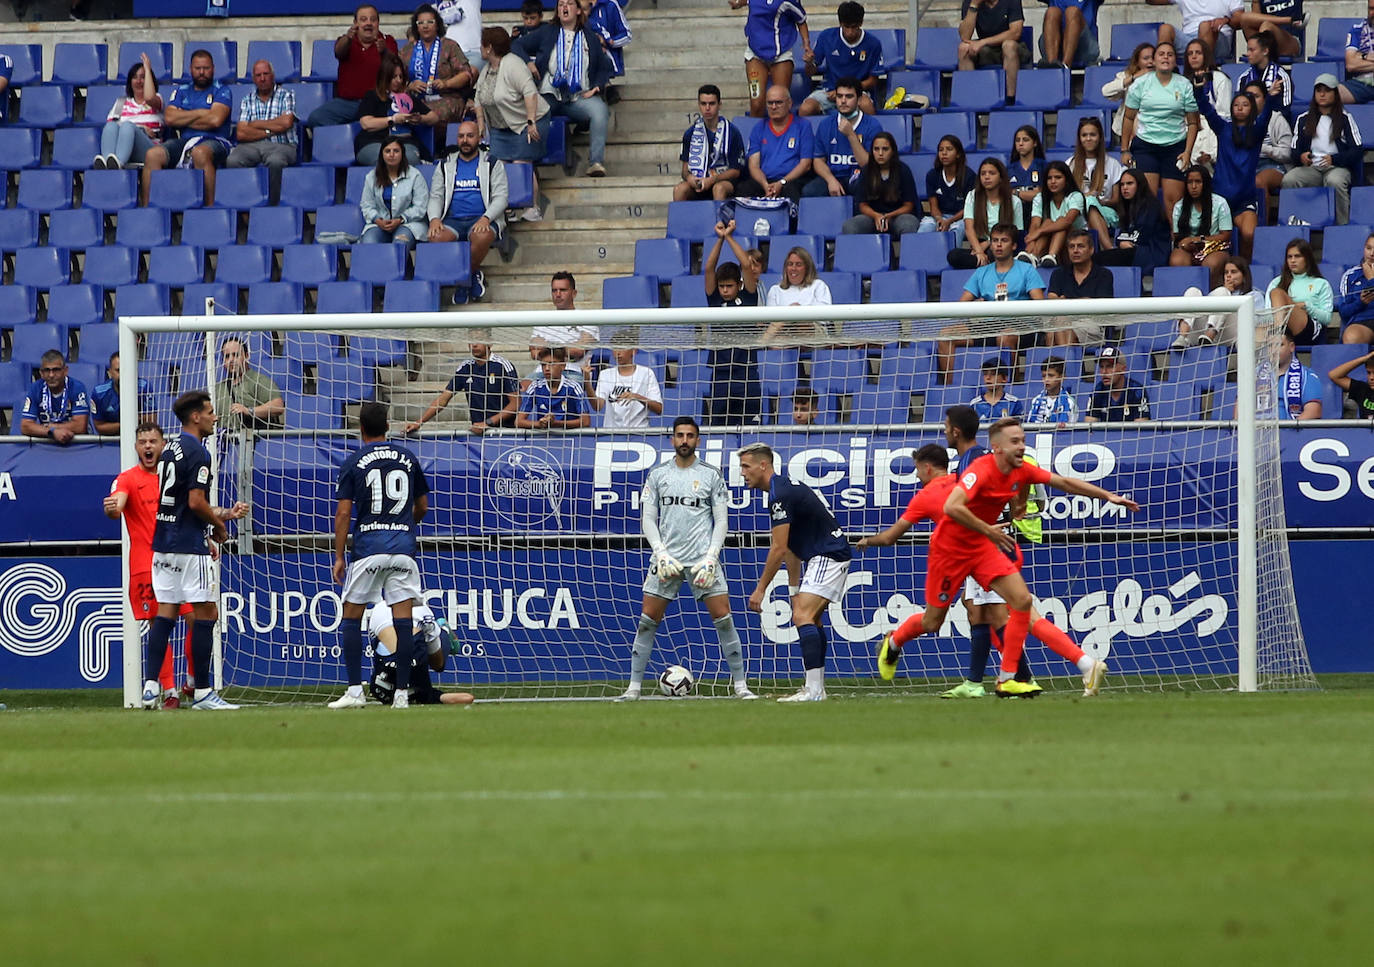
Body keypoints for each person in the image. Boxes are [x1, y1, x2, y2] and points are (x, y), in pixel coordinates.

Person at [870, 422, 1128, 696]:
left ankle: (1010, 678)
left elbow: (1057, 484)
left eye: (1022, 440)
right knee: (952, 618)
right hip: (956, 553)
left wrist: (1107, 496)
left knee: (1012, 608)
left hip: (990, 547)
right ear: (995, 446)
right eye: (1015, 441)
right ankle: (985, 676)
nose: (1022, 446)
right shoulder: (973, 470)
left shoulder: (998, 467)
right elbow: (954, 508)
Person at [106, 423, 247, 709]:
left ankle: (192, 683)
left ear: (162, 445)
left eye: (153, 441)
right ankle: (167, 690)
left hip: (178, 554)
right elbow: (117, 503)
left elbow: (191, 509)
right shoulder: (127, 479)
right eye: (142, 441)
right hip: (148, 564)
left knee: (195, 619)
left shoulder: (171, 473)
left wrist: (224, 517)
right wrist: (113, 508)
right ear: (135, 446)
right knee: (163, 620)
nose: (147, 447)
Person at [621, 416, 757, 700]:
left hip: (702, 561)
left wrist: (711, 557)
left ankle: (741, 686)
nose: (685, 440)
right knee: (647, 621)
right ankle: (633, 688)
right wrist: (659, 553)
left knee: (724, 619)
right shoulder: (658, 474)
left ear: (698, 440)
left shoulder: (710, 474)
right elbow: (647, 518)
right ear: (672, 439)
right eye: (680, 435)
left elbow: (721, 521)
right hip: (666, 560)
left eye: (690, 436)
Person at [327, 401, 430, 710]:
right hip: (402, 549)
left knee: (352, 615)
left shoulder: (354, 461)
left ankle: (355, 691)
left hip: (369, 547)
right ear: (388, 426)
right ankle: (401, 695)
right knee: (402, 618)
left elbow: (344, 514)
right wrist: (403, 526)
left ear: (361, 429)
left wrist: (339, 556)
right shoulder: (408, 457)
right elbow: (422, 506)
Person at [141, 391, 237, 711]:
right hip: (187, 544)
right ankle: (203, 692)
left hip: (162, 545)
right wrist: (219, 527)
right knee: (207, 612)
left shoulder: (170, 449)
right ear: (195, 416)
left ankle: (151, 686)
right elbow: (196, 502)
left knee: (166, 612)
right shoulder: (198, 452)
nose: (214, 417)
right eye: (210, 412)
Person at [739, 440, 851, 702]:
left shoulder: (780, 495)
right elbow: (790, 548)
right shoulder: (781, 490)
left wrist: (760, 589)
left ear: (763, 465)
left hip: (828, 555)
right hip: (824, 555)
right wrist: (793, 589)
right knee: (811, 618)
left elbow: (777, 549)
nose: (743, 473)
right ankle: (817, 689)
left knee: (802, 615)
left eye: (746, 466)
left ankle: (813, 691)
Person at [943, 223, 1043, 378]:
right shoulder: (981, 272)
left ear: (1014, 245)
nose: (998, 245)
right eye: (995, 240)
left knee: (1005, 337)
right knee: (946, 335)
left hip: (1021, 326)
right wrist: (976, 305)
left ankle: (1012, 386)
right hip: (988, 325)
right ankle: (950, 390)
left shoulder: (1027, 270)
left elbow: (1040, 304)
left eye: (1004, 240)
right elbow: (961, 305)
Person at [474, 26, 551, 220]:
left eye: (482, 45)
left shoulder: (513, 64)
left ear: (489, 47)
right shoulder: (486, 70)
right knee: (498, 167)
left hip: (529, 122)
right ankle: (509, 208)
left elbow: (530, 92)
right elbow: (478, 98)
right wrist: (481, 124)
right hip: (501, 129)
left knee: (520, 163)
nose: (480, 49)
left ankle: (533, 207)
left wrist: (531, 122)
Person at [139, 49, 233, 208]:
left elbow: (215, 120)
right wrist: (202, 113)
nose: (202, 72)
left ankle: (210, 209)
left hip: (216, 140)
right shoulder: (181, 91)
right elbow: (169, 118)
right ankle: (150, 210)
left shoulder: (222, 90)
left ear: (213, 69)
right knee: (153, 154)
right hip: (185, 141)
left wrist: (184, 117)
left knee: (200, 153)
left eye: (206, 68)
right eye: (198, 68)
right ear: (190, 69)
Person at [426, 119, 507, 300]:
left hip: (482, 217)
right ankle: (471, 275)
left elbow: (501, 198)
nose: (465, 140)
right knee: (435, 237)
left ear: (479, 138)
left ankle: (462, 282)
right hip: (453, 219)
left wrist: (486, 218)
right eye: (461, 136)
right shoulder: (445, 164)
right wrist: (434, 219)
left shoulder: (493, 163)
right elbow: (436, 196)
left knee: (482, 235)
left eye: (470, 136)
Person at [530, 0, 613, 178]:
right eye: (560, 4)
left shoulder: (589, 36)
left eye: (569, 4)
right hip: (549, 94)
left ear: (577, 10)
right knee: (532, 110)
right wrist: (529, 63)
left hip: (577, 97)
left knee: (600, 111)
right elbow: (517, 46)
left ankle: (595, 163)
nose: (564, 7)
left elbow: (604, 66)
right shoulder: (546, 32)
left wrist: (596, 87)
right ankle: (530, 160)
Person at [1120, 41, 1200, 215]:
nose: (1165, 57)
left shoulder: (1185, 84)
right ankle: (1147, 240)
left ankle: (1175, 240)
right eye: (1161, 54)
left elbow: (1193, 122)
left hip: (1175, 146)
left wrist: (1187, 152)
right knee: (1147, 200)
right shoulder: (1140, 84)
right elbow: (1128, 117)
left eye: (1170, 54)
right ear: (1154, 60)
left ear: (1175, 61)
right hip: (1146, 146)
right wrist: (1124, 149)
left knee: (1174, 202)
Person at [704, 221, 765, 425]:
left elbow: (747, 265)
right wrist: (719, 240)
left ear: (739, 284)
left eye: (729, 286)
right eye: (721, 286)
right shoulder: (715, 301)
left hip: (746, 370)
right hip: (721, 372)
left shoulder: (748, 296)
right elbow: (709, 268)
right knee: (719, 426)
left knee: (750, 425)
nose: (725, 291)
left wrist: (729, 237)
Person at [1284, 74, 1365, 226]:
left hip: (1337, 167)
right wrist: (1301, 157)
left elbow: (1357, 150)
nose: (1322, 94)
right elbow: (1294, 150)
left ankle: (1343, 226)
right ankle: (1293, 223)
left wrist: (1334, 159)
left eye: (1327, 91)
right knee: (1290, 180)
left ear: (1335, 94)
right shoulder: (1303, 119)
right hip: (1311, 169)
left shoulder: (1345, 118)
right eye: (1319, 90)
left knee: (1335, 181)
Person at [1197, 90, 1268, 260]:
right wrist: (1199, 90)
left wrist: (1271, 97)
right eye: (1236, 105)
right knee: (1216, 238)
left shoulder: (1257, 132)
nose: (1240, 108)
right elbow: (1207, 110)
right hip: (1220, 198)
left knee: (1249, 234)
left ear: (1252, 109)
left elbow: (1266, 115)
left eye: (1245, 105)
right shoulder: (1223, 129)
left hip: (1245, 200)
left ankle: (1243, 268)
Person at [364, 600, 475, 706]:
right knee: (438, 665)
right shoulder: (421, 692)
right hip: (415, 651)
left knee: (436, 660)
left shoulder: (377, 688)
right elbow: (466, 697)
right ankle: (443, 630)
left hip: (411, 649)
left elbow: (466, 698)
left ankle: (442, 632)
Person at [308, 4, 401, 128]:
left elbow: (396, 67)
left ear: (378, 23)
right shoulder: (346, 41)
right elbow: (339, 52)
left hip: (378, 102)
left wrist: (384, 51)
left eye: (373, 20)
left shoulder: (387, 41)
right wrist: (348, 37)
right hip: (348, 103)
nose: (368, 23)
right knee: (316, 118)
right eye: (363, 20)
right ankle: (340, 144)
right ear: (355, 23)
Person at [407, 334, 520, 434]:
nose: (474, 345)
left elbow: (515, 403)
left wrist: (488, 423)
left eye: (479, 340)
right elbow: (443, 399)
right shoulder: (465, 367)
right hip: (478, 433)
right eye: (471, 341)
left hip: (505, 432)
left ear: (490, 342)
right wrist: (419, 422)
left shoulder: (503, 365)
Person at [398, 3, 478, 136]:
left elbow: (466, 74)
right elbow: (394, 78)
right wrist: (410, 86)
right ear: (416, 27)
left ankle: (438, 148)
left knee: (431, 113)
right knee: (405, 111)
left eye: (430, 22)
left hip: (446, 98)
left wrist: (446, 83)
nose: (425, 26)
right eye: (421, 22)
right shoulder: (407, 51)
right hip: (416, 99)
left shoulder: (449, 45)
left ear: (437, 24)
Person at [228, 60, 298, 206]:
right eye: (258, 75)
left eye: (266, 74)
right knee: (233, 160)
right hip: (251, 146)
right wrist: (271, 129)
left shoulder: (286, 95)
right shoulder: (247, 99)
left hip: (282, 145)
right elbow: (241, 133)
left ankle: (273, 205)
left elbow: (286, 123)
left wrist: (256, 124)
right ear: (253, 78)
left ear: (273, 75)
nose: (262, 78)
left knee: (276, 162)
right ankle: (247, 206)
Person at [736, 85, 815, 202]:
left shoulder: (803, 126)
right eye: (770, 103)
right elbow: (753, 165)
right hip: (765, 180)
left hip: (791, 180)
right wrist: (765, 185)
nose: (773, 107)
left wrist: (782, 182)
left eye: (778, 103)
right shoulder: (759, 128)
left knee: (790, 190)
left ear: (789, 103)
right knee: (744, 189)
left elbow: (806, 164)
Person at [732, 0, 810, 118]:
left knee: (780, 103)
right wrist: (736, 3)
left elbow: (801, 20)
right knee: (756, 103)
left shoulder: (788, 1)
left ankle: (782, 135)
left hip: (781, 54)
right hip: (755, 53)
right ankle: (756, 135)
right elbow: (740, 2)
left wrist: (806, 45)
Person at [355, 54, 437, 166]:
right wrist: (393, 119)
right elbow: (366, 123)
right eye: (394, 77)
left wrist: (419, 118)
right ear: (385, 77)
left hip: (404, 143)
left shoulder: (407, 98)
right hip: (374, 141)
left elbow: (434, 117)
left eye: (401, 77)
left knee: (411, 160)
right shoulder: (372, 96)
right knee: (384, 160)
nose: (398, 80)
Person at [801, 2, 882, 116]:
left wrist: (845, 91)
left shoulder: (873, 43)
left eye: (854, 27)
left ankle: (870, 133)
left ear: (861, 23)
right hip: (829, 90)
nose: (850, 32)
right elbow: (810, 72)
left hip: (858, 91)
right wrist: (809, 63)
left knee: (867, 106)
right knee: (806, 108)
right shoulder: (826, 37)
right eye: (846, 27)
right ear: (840, 23)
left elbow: (873, 80)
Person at [804, 77, 879, 197]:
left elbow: (868, 164)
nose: (843, 101)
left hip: (859, 176)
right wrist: (830, 180)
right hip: (833, 175)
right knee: (810, 191)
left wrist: (851, 135)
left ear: (859, 100)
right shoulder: (825, 124)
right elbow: (818, 160)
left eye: (849, 97)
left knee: (864, 188)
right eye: (839, 96)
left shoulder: (872, 125)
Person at [1173, 254, 1264, 347]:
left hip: (1230, 335)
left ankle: (1211, 333)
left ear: (1244, 276)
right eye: (1226, 272)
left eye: (1233, 272)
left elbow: (1254, 323)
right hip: (1199, 335)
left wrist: (1229, 296)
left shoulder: (1254, 296)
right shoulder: (1218, 292)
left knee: (1222, 291)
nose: (1228, 276)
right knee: (1193, 290)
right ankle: (1182, 336)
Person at [675, 84, 746, 202]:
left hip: (724, 182)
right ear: (699, 105)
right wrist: (689, 178)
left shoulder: (732, 132)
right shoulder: (690, 133)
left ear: (719, 105)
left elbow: (735, 171)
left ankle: (719, 220)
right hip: (699, 182)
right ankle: (680, 221)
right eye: (703, 104)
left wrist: (712, 180)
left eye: (712, 104)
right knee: (679, 189)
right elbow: (685, 169)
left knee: (718, 189)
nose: (707, 108)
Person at [1095, 167, 1173, 273]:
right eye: (1122, 185)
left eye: (1129, 183)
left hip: (1152, 254)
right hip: (1135, 251)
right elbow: (1121, 235)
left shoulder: (1151, 206)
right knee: (1097, 258)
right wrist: (1121, 242)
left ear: (1139, 185)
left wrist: (1123, 241)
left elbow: (1142, 238)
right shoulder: (1127, 207)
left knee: (1099, 259)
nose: (1125, 188)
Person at [841, 130, 918, 236]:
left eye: (885, 149)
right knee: (850, 226)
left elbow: (909, 205)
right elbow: (862, 205)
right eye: (876, 149)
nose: (880, 153)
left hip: (897, 216)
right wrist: (876, 216)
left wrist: (888, 215)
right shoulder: (866, 171)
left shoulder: (903, 170)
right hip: (872, 217)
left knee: (909, 224)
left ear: (892, 151)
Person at [1047, 229, 1115, 347]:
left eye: (1080, 246)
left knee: (1058, 328)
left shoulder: (1104, 274)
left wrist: (1065, 302)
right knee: (1054, 330)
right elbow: (1051, 300)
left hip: (1091, 325)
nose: (1075, 251)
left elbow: (1099, 306)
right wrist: (1081, 302)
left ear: (1091, 250)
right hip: (1062, 322)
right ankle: (1067, 363)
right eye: (1071, 247)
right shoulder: (1058, 273)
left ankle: (1062, 364)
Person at [1168, 164, 1233, 286]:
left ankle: (1209, 298)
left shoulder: (1220, 203)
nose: (1193, 186)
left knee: (1211, 264)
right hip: (1188, 248)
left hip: (1214, 248)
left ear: (1206, 183)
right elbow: (1177, 236)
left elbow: (1225, 235)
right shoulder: (1179, 206)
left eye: (1198, 182)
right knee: (1177, 260)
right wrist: (1185, 244)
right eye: (1190, 182)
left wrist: (1199, 240)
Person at [95, 53, 162, 170]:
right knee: (110, 126)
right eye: (135, 77)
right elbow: (112, 127)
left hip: (149, 150)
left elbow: (149, 98)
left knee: (127, 126)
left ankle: (119, 163)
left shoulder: (157, 99)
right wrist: (141, 127)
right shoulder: (121, 103)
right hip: (123, 148)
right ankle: (108, 163)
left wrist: (147, 68)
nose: (139, 81)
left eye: (143, 77)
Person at [957, 0, 1030, 105]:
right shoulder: (970, 2)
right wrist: (974, 6)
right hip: (987, 50)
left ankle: (1011, 100)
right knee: (963, 48)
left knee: (1008, 46)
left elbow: (1015, 32)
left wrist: (983, 42)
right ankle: (971, 101)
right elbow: (965, 36)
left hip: (1014, 47)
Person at [360, 136, 430, 245]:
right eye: (387, 151)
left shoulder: (415, 175)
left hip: (409, 224)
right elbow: (366, 205)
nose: (392, 154)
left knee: (399, 244)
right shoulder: (372, 177)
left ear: (402, 154)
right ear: (382, 154)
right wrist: (378, 220)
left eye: (396, 151)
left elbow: (420, 207)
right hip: (380, 225)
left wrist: (401, 219)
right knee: (369, 243)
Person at [1265, 238, 1333, 344]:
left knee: (1278, 293)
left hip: (1309, 330)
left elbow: (1327, 318)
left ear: (1307, 258)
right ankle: (1278, 336)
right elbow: (1268, 314)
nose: (1292, 260)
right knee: (1253, 330)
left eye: (1297, 256)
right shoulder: (1276, 282)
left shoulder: (1321, 283)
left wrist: (1307, 307)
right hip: (1281, 327)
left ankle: (1278, 335)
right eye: (1289, 257)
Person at [1068, 116, 1123, 248]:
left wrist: (1100, 201)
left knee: (1092, 202)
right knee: (1089, 201)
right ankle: (1110, 250)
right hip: (1078, 214)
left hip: (1106, 212)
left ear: (1100, 137)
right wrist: (1086, 198)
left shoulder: (1113, 164)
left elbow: (1116, 199)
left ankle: (1107, 249)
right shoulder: (1071, 164)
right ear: (1079, 139)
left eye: (1092, 135)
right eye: (1084, 135)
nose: (1088, 138)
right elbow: (1067, 198)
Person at [529, 271, 600, 372]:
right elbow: (534, 353)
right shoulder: (543, 320)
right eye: (554, 290)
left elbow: (578, 351)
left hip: (573, 372)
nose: (558, 294)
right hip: (543, 372)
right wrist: (566, 350)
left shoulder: (587, 319)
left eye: (563, 290)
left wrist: (547, 348)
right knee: (522, 387)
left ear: (574, 293)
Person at [1019, 160, 1085, 268]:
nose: (1053, 181)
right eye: (1049, 178)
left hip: (1074, 241)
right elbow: (1035, 224)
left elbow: (1068, 221)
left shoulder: (1075, 196)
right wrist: (1031, 241)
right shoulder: (1040, 198)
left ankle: (1051, 256)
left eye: (1058, 177)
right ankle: (1034, 256)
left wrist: (1040, 231)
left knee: (1060, 222)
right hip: (1047, 242)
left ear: (1066, 179)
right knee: (1048, 222)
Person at [214, 336, 285, 431]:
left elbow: (278, 406)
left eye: (236, 355)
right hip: (223, 443)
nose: (231, 360)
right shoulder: (217, 389)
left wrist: (249, 411)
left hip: (252, 442)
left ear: (246, 356)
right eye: (227, 356)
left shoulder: (258, 380)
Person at [1246, 81, 1293, 223]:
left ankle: (1262, 228)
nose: (1252, 100)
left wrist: (1264, 149)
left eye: (1256, 96)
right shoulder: (1240, 121)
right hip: (1247, 164)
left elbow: (1287, 153)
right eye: (1248, 96)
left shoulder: (1276, 119)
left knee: (1258, 182)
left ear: (1264, 99)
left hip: (1273, 165)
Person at [19, 350, 89, 444]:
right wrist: (52, 432)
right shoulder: (35, 388)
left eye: (56, 370)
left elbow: (80, 426)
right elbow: (25, 426)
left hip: (76, 443)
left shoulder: (77, 387)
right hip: (48, 441)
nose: (51, 375)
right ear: (41, 373)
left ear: (65, 371)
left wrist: (52, 427)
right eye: (47, 370)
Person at [763, 246, 831, 343]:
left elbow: (825, 318)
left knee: (799, 317)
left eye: (798, 265)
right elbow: (771, 320)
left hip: (814, 333)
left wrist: (797, 311)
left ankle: (761, 343)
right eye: (790, 264)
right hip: (783, 331)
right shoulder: (775, 290)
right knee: (778, 341)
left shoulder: (818, 285)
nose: (793, 268)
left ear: (807, 268)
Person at [591, 342, 663, 428]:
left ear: (634, 350)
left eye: (622, 348)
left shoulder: (646, 373)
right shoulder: (605, 374)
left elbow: (659, 409)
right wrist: (587, 383)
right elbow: (597, 406)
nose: (618, 353)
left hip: (639, 433)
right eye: (615, 348)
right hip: (611, 433)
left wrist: (637, 397)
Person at [517, 346, 592, 428]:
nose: (547, 368)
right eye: (543, 365)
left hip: (569, 438)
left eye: (551, 364)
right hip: (544, 437)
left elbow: (586, 421)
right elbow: (518, 421)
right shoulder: (535, 387)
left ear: (563, 366)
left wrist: (555, 423)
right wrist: (539, 424)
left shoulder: (573, 387)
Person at [1256, 329, 1321, 419]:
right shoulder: (1254, 376)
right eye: (1270, 346)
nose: (1274, 350)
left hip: (1294, 431)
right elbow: (1240, 411)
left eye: (1279, 345)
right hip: (1258, 431)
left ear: (1291, 347)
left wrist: (1290, 431)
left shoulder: (1307, 376)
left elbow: (1313, 411)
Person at [920, 135, 975, 239]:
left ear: (958, 154)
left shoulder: (969, 176)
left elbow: (969, 208)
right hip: (939, 216)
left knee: (957, 228)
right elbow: (933, 206)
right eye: (941, 150)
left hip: (962, 218)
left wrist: (950, 221)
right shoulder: (932, 175)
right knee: (926, 226)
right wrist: (939, 219)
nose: (944, 153)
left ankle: (951, 255)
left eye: (949, 149)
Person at [1151, 0, 1244, 61]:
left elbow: (1240, 19)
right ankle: (1159, 73)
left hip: (1218, 37)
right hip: (1189, 39)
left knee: (1205, 26)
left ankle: (1203, 71)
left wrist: (1226, 20)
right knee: (1165, 29)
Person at [89, 351, 153, 436]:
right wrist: (128, 424)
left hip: (139, 438)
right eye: (118, 370)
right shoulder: (99, 393)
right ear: (110, 372)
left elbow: (151, 422)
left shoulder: (144, 387)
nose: (123, 374)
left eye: (127, 369)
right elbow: (99, 427)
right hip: (109, 441)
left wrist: (113, 426)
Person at [1102, 41, 1154, 142]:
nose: (1150, 62)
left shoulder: (1163, 78)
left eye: (1153, 58)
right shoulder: (1126, 76)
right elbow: (1106, 91)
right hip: (1127, 131)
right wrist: (1133, 78)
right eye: (1146, 58)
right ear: (1137, 61)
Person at [1234, 30, 1292, 120]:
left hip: (1273, 125)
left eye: (1252, 50)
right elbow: (1237, 107)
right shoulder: (1244, 78)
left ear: (1265, 51)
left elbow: (1285, 111)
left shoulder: (1281, 77)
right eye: (1247, 50)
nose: (1248, 54)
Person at [1085, 345, 1151, 421]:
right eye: (1101, 367)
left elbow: (1141, 429)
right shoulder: (1097, 392)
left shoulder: (1137, 391)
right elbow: (1089, 428)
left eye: (1109, 367)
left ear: (1123, 369)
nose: (1104, 372)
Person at [1231, 0, 1304, 63]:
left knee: (1267, 26)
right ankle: (1291, 20)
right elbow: (1255, 21)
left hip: (1290, 41)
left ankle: (1260, 51)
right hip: (1265, 38)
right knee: (1245, 18)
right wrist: (1256, 2)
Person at [1335, 231, 1374, 344]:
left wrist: (1371, 279)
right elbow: (1343, 312)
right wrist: (1360, 303)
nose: (1372, 253)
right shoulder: (1350, 275)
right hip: (1362, 323)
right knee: (1352, 336)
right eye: (1368, 248)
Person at [1038, 0, 1101, 67]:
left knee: (1072, 12)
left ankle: (1066, 65)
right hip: (1055, 46)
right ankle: (1052, 65)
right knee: (1052, 12)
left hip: (1085, 46)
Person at [582, 0, 633, 83]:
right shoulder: (571, 4)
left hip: (606, 62)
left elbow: (626, 35)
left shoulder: (610, 4)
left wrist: (608, 42)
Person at [1182, 37, 1232, 120]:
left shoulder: (1220, 79)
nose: (1194, 56)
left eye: (1198, 53)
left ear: (1206, 55)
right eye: (1190, 53)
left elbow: (1224, 114)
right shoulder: (1183, 81)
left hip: (1213, 126)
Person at [1007, 124, 1046, 229]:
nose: (1020, 143)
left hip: (1040, 214)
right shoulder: (1009, 169)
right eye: (1017, 140)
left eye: (1025, 140)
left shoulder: (1044, 166)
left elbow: (1042, 194)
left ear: (1035, 143)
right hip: (1015, 216)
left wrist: (1016, 193)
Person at [1340, 1, 1374, 106]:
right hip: (1364, 83)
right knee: (1332, 95)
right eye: (1371, 9)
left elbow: (1355, 60)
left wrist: (1361, 57)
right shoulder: (1357, 30)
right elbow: (1351, 65)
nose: (1373, 12)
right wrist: (1365, 56)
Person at [1026, 356, 1079, 424]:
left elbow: (1071, 429)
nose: (1046, 380)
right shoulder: (1036, 401)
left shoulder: (1070, 403)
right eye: (1044, 376)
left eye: (1051, 375)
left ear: (1062, 377)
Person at [970, 356, 1023, 421]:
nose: (988, 377)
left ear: (1004, 379)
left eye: (993, 374)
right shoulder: (975, 404)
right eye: (985, 374)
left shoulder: (1014, 403)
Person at [1327, 348, 1374, 419]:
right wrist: (1364, 359)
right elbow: (1334, 375)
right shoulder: (1363, 389)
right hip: (1364, 430)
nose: (1371, 377)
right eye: (1368, 373)